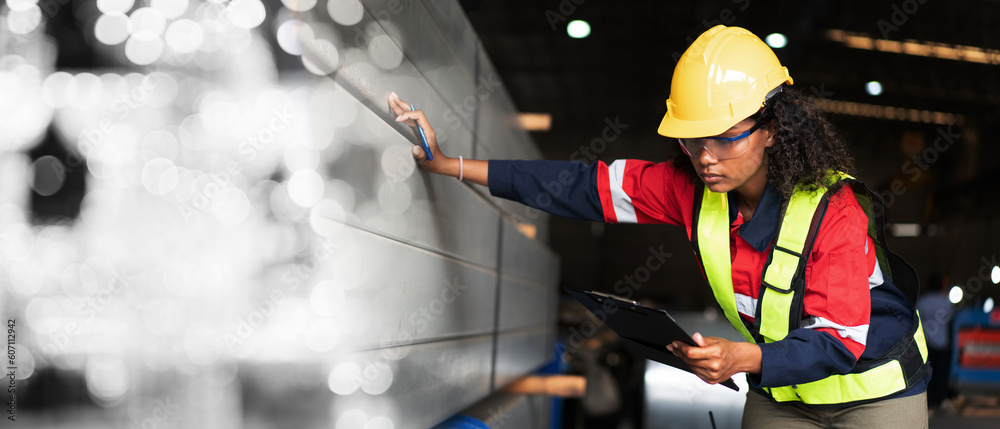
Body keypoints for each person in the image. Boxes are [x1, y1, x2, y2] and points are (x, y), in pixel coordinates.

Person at [388, 25, 929, 429]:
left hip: (874, 394)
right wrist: (452, 166)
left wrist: (744, 357)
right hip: (781, 394)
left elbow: (839, 340)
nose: (705, 158)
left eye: (725, 137)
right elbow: (581, 187)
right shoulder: (687, 187)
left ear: (772, 129)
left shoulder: (835, 209)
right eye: (693, 141)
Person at [916, 274, 955, 410]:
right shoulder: (946, 302)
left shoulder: (922, 301)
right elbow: (951, 319)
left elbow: (917, 320)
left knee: (928, 374)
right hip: (942, 344)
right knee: (941, 373)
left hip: (927, 344)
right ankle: (943, 400)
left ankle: (929, 403)